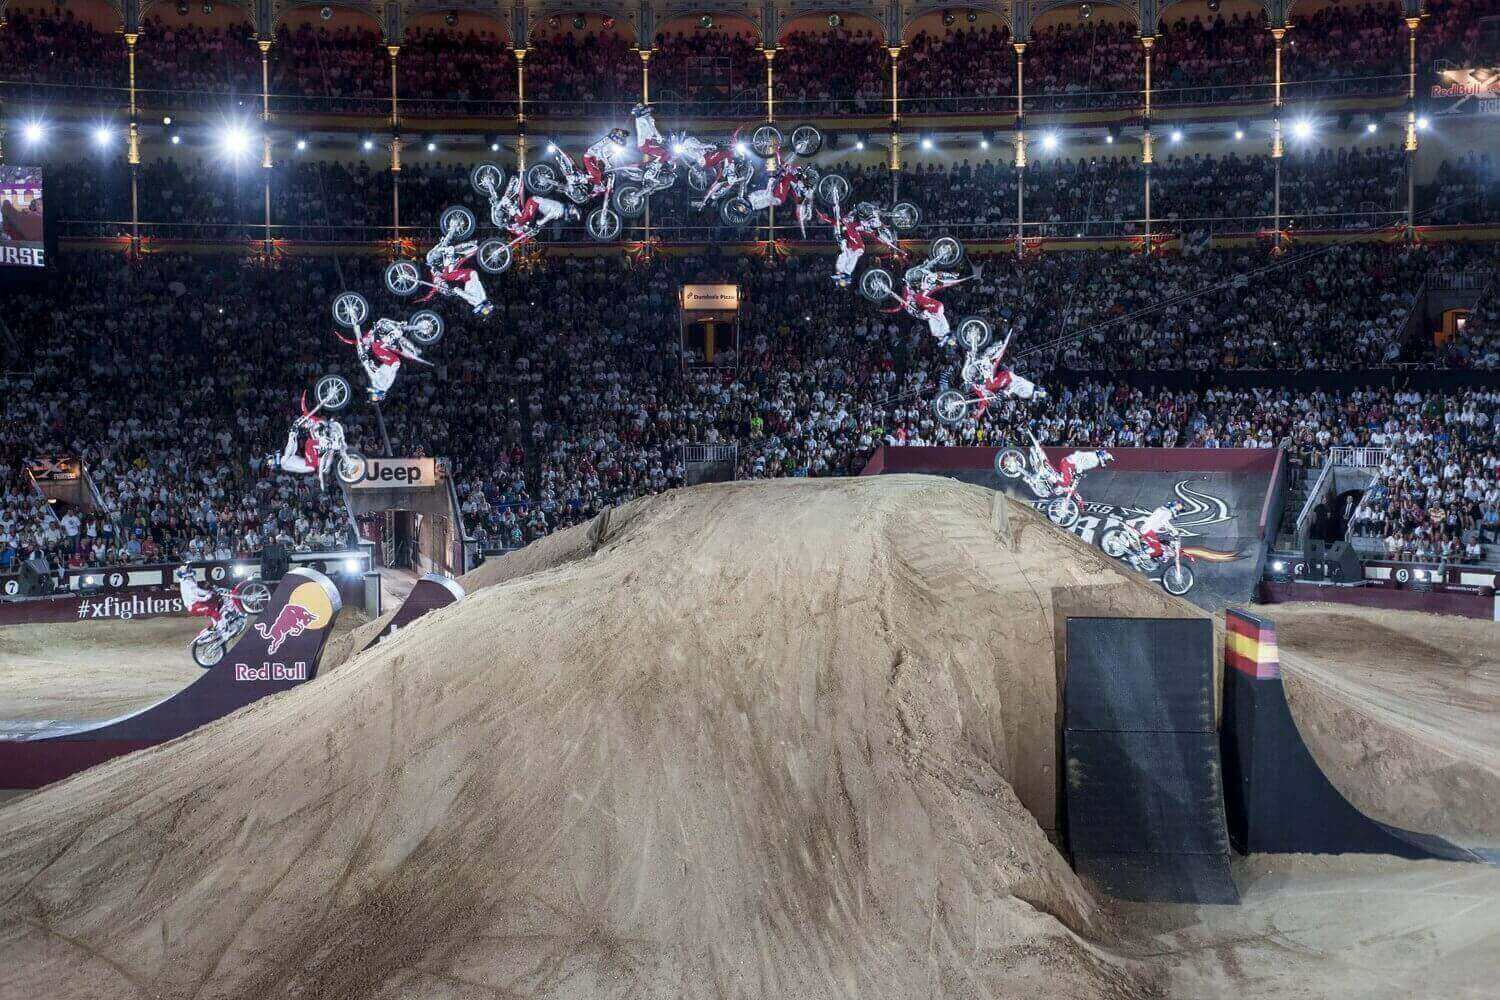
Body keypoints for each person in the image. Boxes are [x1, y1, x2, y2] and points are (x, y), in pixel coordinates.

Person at [336, 318, 424, 402]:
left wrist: (345, 340)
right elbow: (375, 373)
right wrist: (367, 363)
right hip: (392, 362)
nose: (372, 391)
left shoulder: (379, 385)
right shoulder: (381, 385)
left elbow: (357, 342)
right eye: (374, 393)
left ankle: (402, 331)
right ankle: (399, 336)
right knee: (377, 346)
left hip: (389, 359)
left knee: (380, 332)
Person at [966, 332, 1047, 416]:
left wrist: (1005, 393)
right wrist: (1006, 392)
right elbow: (1015, 385)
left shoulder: (1029, 390)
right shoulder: (1028, 391)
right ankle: (983, 369)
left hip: (1008, 380)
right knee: (990, 385)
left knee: (991, 388)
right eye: (1037, 398)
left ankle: (978, 369)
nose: (1034, 401)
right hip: (1008, 378)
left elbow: (1015, 389)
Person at [822, 202, 901, 287]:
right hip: (859, 245)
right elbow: (839, 223)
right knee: (847, 255)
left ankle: (844, 276)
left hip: (868, 221)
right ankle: (845, 276)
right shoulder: (854, 225)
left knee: (845, 254)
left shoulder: (854, 223)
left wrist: (827, 219)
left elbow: (838, 223)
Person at [422, 228, 493, 317]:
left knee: (458, 255)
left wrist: (446, 290)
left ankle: (458, 236)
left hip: (465, 276)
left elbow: (436, 286)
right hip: (467, 276)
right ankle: (469, 243)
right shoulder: (479, 300)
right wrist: (456, 290)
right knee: (457, 255)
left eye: (487, 310)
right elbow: (465, 295)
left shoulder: (477, 301)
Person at [885, 268, 967, 346]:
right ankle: (948, 276)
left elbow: (900, 305)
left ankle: (946, 276)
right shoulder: (912, 304)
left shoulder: (909, 302)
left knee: (927, 293)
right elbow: (899, 307)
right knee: (930, 288)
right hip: (931, 306)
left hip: (926, 303)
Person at [492, 176, 576, 244]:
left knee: (523, 218)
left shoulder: (512, 226)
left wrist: (527, 233)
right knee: (524, 218)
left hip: (532, 203)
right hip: (534, 202)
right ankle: (510, 203)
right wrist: (536, 226)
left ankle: (511, 190)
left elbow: (520, 227)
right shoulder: (559, 210)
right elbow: (546, 217)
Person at [175, 563, 239, 639]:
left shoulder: (189, 580)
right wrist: (206, 597)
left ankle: (217, 625)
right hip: (193, 606)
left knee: (215, 604)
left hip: (197, 603)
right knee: (215, 613)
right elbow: (193, 597)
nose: (191, 571)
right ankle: (225, 634)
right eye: (188, 570)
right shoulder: (185, 583)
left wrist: (208, 592)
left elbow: (197, 590)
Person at [630, 104, 671, 183]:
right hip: (645, 145)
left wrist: (659, 138)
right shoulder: (644, 119)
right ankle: (650, 174)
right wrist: (659, 137)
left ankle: (655, 171)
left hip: (645, 144)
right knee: (664, 154)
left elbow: (648, 132)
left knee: (662, 153)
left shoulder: (640, 119)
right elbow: (652, 129)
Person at [583, 127, 629, 194]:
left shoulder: (617, 143)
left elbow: (608, 156)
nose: (622, 136)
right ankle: (594, 185)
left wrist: (609, 164)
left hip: (596, 158)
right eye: (621, 134)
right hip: (590, 157)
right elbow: (602, 153)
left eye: (624, 136)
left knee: (607, 172)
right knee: (597, 174)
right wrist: (607, 165)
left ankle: (603, 186)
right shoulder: (611, 140)